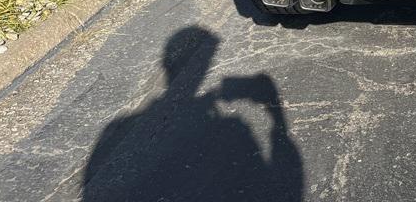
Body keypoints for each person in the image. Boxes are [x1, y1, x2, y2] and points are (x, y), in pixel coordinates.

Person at [82, 26, 303, 201]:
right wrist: (277, 120)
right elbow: (290, 180)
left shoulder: (119, 125)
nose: (207, 66)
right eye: (208, 58)